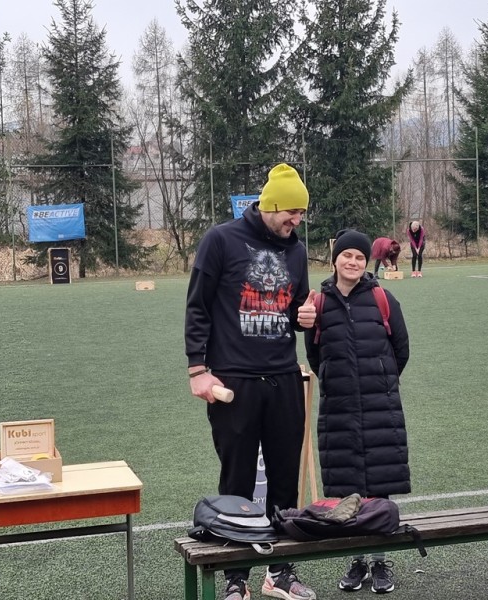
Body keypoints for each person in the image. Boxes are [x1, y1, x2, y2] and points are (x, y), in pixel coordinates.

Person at [185, 163, 318, 600]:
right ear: (271, 205)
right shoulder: (221, 240)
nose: (296, 220)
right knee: (237, 480)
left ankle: (280, 573)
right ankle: (236, 578)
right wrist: (198, 369)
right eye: (292, 212)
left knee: (284, 480)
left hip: (284, 377)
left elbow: (294, 310)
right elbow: (198, 307)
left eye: (302, 213)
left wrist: (304, 317)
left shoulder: (297, 251)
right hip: (234, 382)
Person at [304, 229, 411, 595]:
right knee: (347, 491)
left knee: (380, 488)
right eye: (346, 255)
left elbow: (401, 349)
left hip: (380, 406)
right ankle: (356, 560)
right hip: (339, 410)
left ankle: (380, 561)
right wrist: (339, 383)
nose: (352, 262)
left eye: (360, 257)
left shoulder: (383, 298)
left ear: (367, 263)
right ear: (335, 259)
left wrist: (379, 379)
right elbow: (315, 355)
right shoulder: (319, 303)